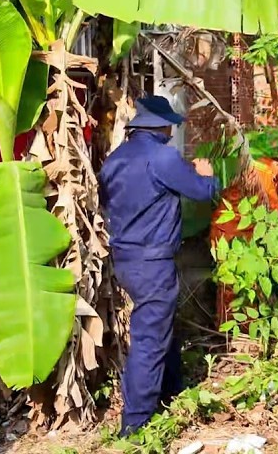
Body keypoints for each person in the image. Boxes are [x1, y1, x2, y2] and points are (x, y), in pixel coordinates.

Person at [100, 96, 221, 438]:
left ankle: (172, 392)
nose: (172, 131)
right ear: (160, 126)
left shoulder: (115, 159)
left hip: (125, 261)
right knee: (150, 340)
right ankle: (135, 425)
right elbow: (201, 191)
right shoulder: (162, 156)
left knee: (161, 327)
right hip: (153, 263)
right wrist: (206, 174)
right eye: (170, 125)